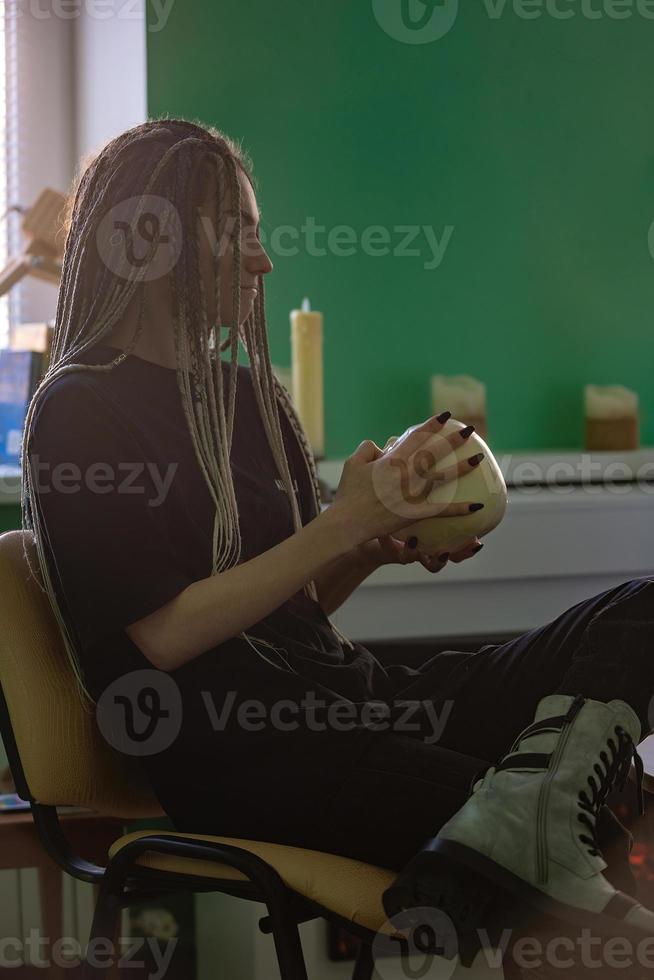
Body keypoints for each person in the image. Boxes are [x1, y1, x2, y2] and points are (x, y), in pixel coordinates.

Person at [22, 118, 654, 975]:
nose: (263, 261)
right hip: (247, 755)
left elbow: (292, 611)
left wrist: (365, 549)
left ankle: (526, 810)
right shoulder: (78, 411)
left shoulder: (251, 396)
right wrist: (339, 526)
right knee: (614, 832)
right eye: (238, 232)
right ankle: (522, 820)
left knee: (636, 621)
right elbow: (159, 638)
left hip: (361, 702)